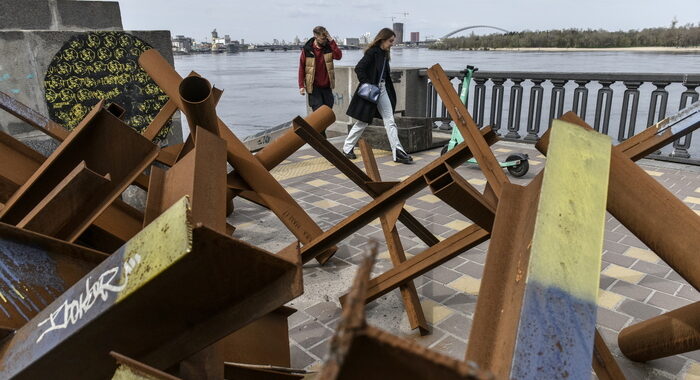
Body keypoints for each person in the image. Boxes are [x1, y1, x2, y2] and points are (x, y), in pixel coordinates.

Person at [342, 28, 411, 164]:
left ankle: (398, 152)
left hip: (382, 89)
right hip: (372, 91)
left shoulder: (384, 54)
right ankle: (347, 147)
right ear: (383, 39)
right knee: (363, 121)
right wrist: (368, 84)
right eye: (391, 41)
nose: (392, 44)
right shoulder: (373, 52)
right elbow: (359, 68)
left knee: (390, 120)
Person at [298, 26, 342, 137]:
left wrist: (332, 41)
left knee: (328, 112)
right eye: (323, 39)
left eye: (326, 38)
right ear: (316, 36)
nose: (325, 41)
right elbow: (301, 67)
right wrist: (301, 85)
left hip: (327, 86)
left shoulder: (328, 47)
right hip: (314, 87)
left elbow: (338, 56)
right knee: (319, 114)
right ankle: (321, 137)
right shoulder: (307, 49)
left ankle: (318, 133)